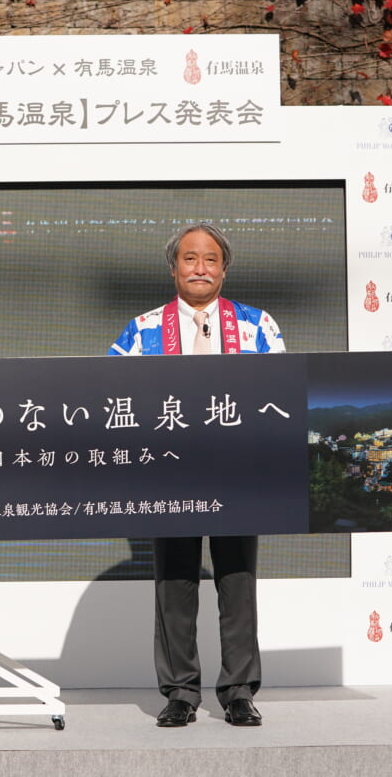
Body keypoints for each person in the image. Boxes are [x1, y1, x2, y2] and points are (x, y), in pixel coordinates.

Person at [109, 223, 284, 728]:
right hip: (168, 476)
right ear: (174, 268)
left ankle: (238, 692)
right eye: (190, 258)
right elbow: (108, 397)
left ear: (224, 269)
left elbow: (282, 395)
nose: (200, 268)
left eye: (211, 259)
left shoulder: (257, 325)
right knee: (174, 584)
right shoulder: (142, 329)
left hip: (238, 475)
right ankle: (181, 692)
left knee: (237, 581)